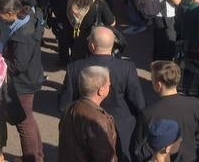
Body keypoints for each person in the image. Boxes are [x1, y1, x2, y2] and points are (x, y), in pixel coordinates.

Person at [60, 26, 146, 162]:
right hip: (122, 132)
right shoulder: (126, 68)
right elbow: (139, 104)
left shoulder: (75, 68)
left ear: (92, 45)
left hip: (86, 131)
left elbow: (64, 105)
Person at [0, 0, 45, 162]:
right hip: (32, 76)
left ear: (9, 13)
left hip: (23, 82)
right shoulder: (30, 19)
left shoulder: (23, 35)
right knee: (28, 119)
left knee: (23, 123)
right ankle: (38, 155)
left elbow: (18, 65)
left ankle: (30, 158)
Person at [133, 61, 199, 162]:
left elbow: (138, 150)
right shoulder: (194, 104)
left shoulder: (148, 113)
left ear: (158, 85)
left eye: (152, 80)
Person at [57, 65, 119, 162]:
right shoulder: (100, 121)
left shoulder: (70, 108)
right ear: (101, 91)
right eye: (108, 83)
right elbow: (106, 157)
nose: (110, 84)